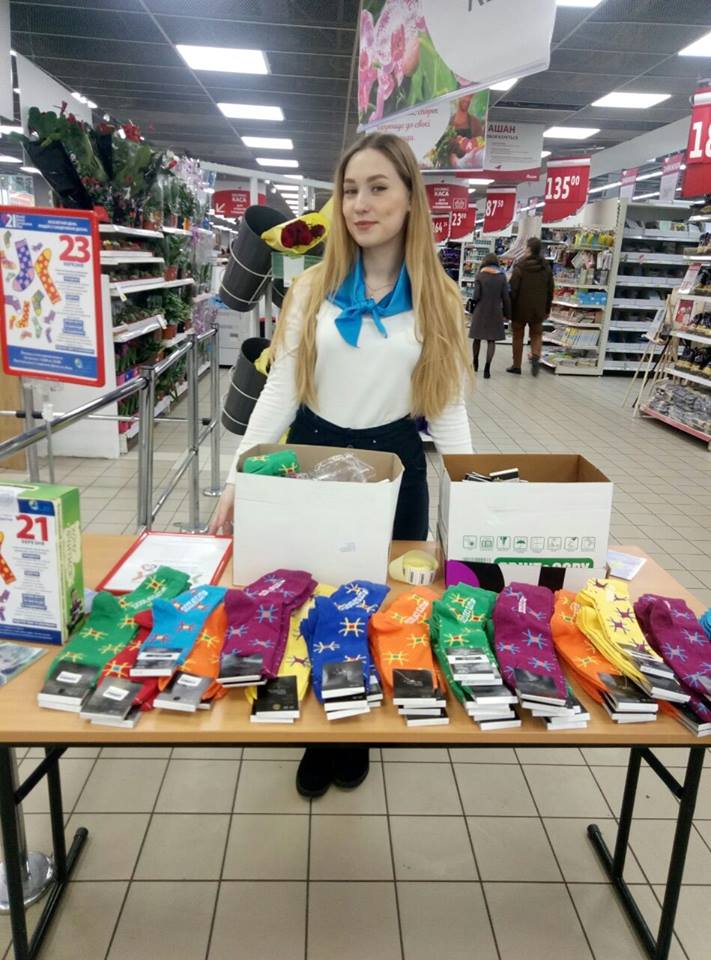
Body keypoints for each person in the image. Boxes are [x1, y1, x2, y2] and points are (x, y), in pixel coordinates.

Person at [208, 132, 472, 798]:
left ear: (409, 199)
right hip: (311, 459)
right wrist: (239, 478)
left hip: (395, 469)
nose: (360, 204)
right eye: (350, 189)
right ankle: (311, 725)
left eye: (378, 188)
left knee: (377, 601)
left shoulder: (438, 298)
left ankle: (352, 726)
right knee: (311, 596)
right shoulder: (311, 288)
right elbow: (279, 390)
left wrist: (478, 505)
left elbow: (448, 409)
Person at [507, 236, 554, 376]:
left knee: (518, 336)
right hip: (538, 308)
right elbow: (550, 290)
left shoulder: (520, 267)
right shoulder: (546, 268)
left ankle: (516, 365)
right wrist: (547, 308)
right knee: (536, 334)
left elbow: (513, 289)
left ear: (528, 249)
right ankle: (535, 356)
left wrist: (509, 308)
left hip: (520, 308)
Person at [468, 253, 511, 379]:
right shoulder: (502, 277)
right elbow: (505, 297)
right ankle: (487, 368)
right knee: (491, 340)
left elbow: (476, 296)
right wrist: (507, 313)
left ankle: (475, 363)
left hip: (480, 311)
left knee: (477, 338)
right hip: (495, 311)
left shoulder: (480, 275)